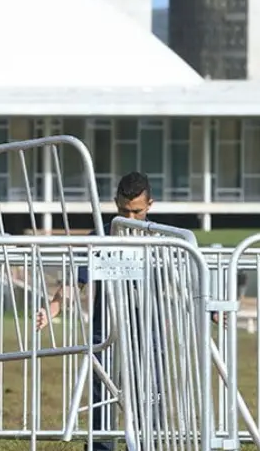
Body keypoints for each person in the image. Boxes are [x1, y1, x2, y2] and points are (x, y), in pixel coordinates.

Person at [35, 172, 156, 451]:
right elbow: (77, 282)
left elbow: (186, 283)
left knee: (149, 397)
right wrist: (53, 308)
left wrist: (211, 312)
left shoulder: (163, 238)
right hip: (107, 332)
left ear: (150, 205)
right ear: (115, 203)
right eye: (123, 211)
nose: (129, 217)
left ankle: (147, 445)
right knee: (102, 399)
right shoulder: (100, 238)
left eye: (136, 211)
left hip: (149, 331)